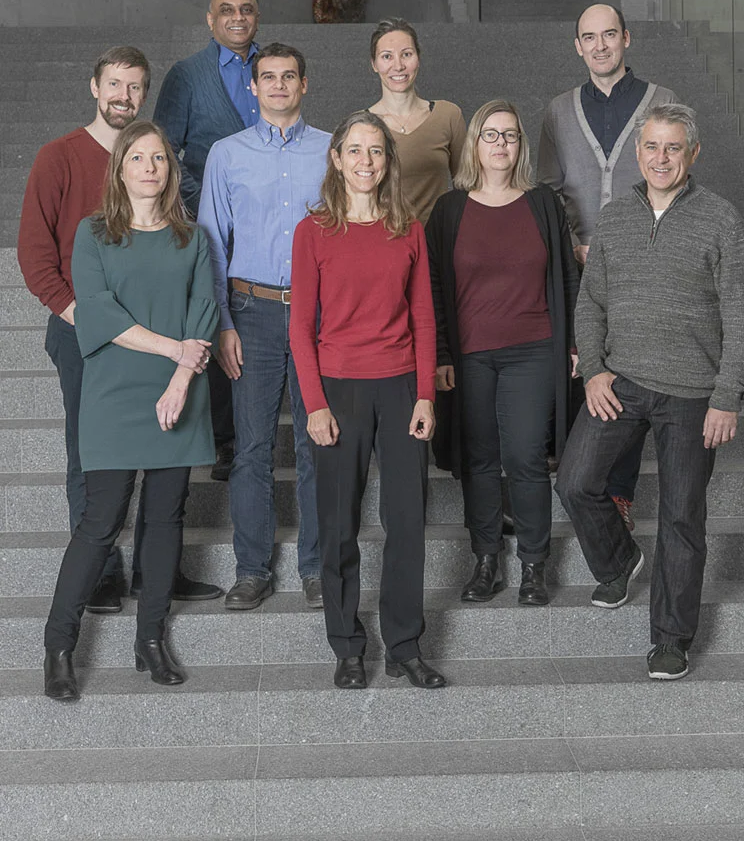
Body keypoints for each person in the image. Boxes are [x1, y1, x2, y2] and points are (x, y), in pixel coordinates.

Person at [556, 104, 744, 681]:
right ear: (639, 152)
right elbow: (592, 300)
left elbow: (742, 316)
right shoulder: (617, 216)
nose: (661, 158)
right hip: (621, 381)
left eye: (674, 148)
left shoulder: (720, 219)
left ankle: (670, 638)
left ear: (692, 154)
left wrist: (728, 394)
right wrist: (594, 369)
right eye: (652, 146)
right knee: (574, 480)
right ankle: (620, 559)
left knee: (681, 519)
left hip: (694, 395)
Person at [18, 48, 219, 614]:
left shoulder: (151, 160)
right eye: (114, 84)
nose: (123, 96)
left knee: (165, 460)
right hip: (82, 329)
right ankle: (101, 573)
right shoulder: (57, 157)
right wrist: (94, 320)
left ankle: (156, 571)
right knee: (91, 455)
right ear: (94, 87)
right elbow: (35, 257)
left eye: (134, 87)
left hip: (158, 335)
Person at [43, 121, 220, 701]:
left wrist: (179, 379)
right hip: (114, 392)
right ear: (120, 169)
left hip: (179, 391)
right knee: (100, 523)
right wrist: (173, 351)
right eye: (138, 157)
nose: (150, 167)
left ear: (171, 170)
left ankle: (150, 640)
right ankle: (59, 647)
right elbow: (96, 310)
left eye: (160, 159)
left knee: (168, 517)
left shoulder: (191, 238)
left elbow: (203, 313)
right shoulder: (94, 234)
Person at [290, 110, 445, 691]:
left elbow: (425, 319)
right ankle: (348, 645)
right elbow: (300, 329)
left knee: (406, 522)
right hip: (339, 389)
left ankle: (405, 645)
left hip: (400, 385)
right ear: (336, 158)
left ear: (388, 161)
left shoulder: (407, 227)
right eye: (353, 150)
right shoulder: (314, 231)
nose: (365, 162)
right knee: (338, 525)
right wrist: (314, 404)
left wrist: (425, 394)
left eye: (375, 151)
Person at [426, 100, 579, 607]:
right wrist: (443, 354)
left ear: (521, 145)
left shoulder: (542, 204)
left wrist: (576, 343)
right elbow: (433, 291)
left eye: (510, 136)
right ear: (475, 143)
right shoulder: (449, 210)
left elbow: (568, 278)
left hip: (533, 350)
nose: (501, 145)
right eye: (490, 135)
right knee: (480, 460)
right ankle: (486, 560)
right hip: (469, 356)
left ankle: (534, 565)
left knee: (526, 458)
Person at [198, 43, 328, 611]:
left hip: (318, 315)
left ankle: (319, 569)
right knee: (250, 449)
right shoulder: (227, 155)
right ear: (252, 87)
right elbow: (210, 244)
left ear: (304, 83)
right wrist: (223, 322)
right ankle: (252, 569)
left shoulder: (333, 151)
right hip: (250, 313)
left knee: (315, 442)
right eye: (267, 77)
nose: (278, 85)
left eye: (288, 76)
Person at [537, 3, 678, 526]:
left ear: (627, 39)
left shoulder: (662, 101)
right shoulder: (557, 110)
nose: (600, 45)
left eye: (609, 35)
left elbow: (675, 179)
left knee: (635, 371)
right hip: (579, 261)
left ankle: (618, 490)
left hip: (645, 259)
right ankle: (581, 476)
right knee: (584, 364)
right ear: (578, 46)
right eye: (589, 37)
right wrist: (573, 243)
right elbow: (549, 190)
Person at [154, 0, 261, 481]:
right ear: (209, 18)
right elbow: (163, 150)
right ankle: (226, 439)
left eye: (246, 9)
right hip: (209, 225)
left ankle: (258, 427)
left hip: (267, 225)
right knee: (216, 319)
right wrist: (200, 199)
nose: (237, 17)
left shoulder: (274, 68)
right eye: (226, 10)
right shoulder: (187, 76)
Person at [367, 17, 466, 225]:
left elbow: (467, 186)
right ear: (374, 64)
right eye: (387, 56)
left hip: (438, 245)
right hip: (384, 245)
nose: (398, 65)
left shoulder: (448, 115)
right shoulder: (361, 125)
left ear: (418, 58)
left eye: (406, 54)